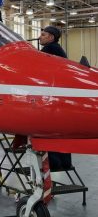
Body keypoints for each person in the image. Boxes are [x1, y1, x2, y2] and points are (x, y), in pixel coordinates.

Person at [39, 25, 71, 170]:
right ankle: (64, 162)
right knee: (60, 131)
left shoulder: (48, 49)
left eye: (43, 35)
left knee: (48, 130)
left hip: (51, 98)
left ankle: (53, 163)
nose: (40, 37)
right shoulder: (58, 49)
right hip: (60, 98)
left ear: (51, 37)